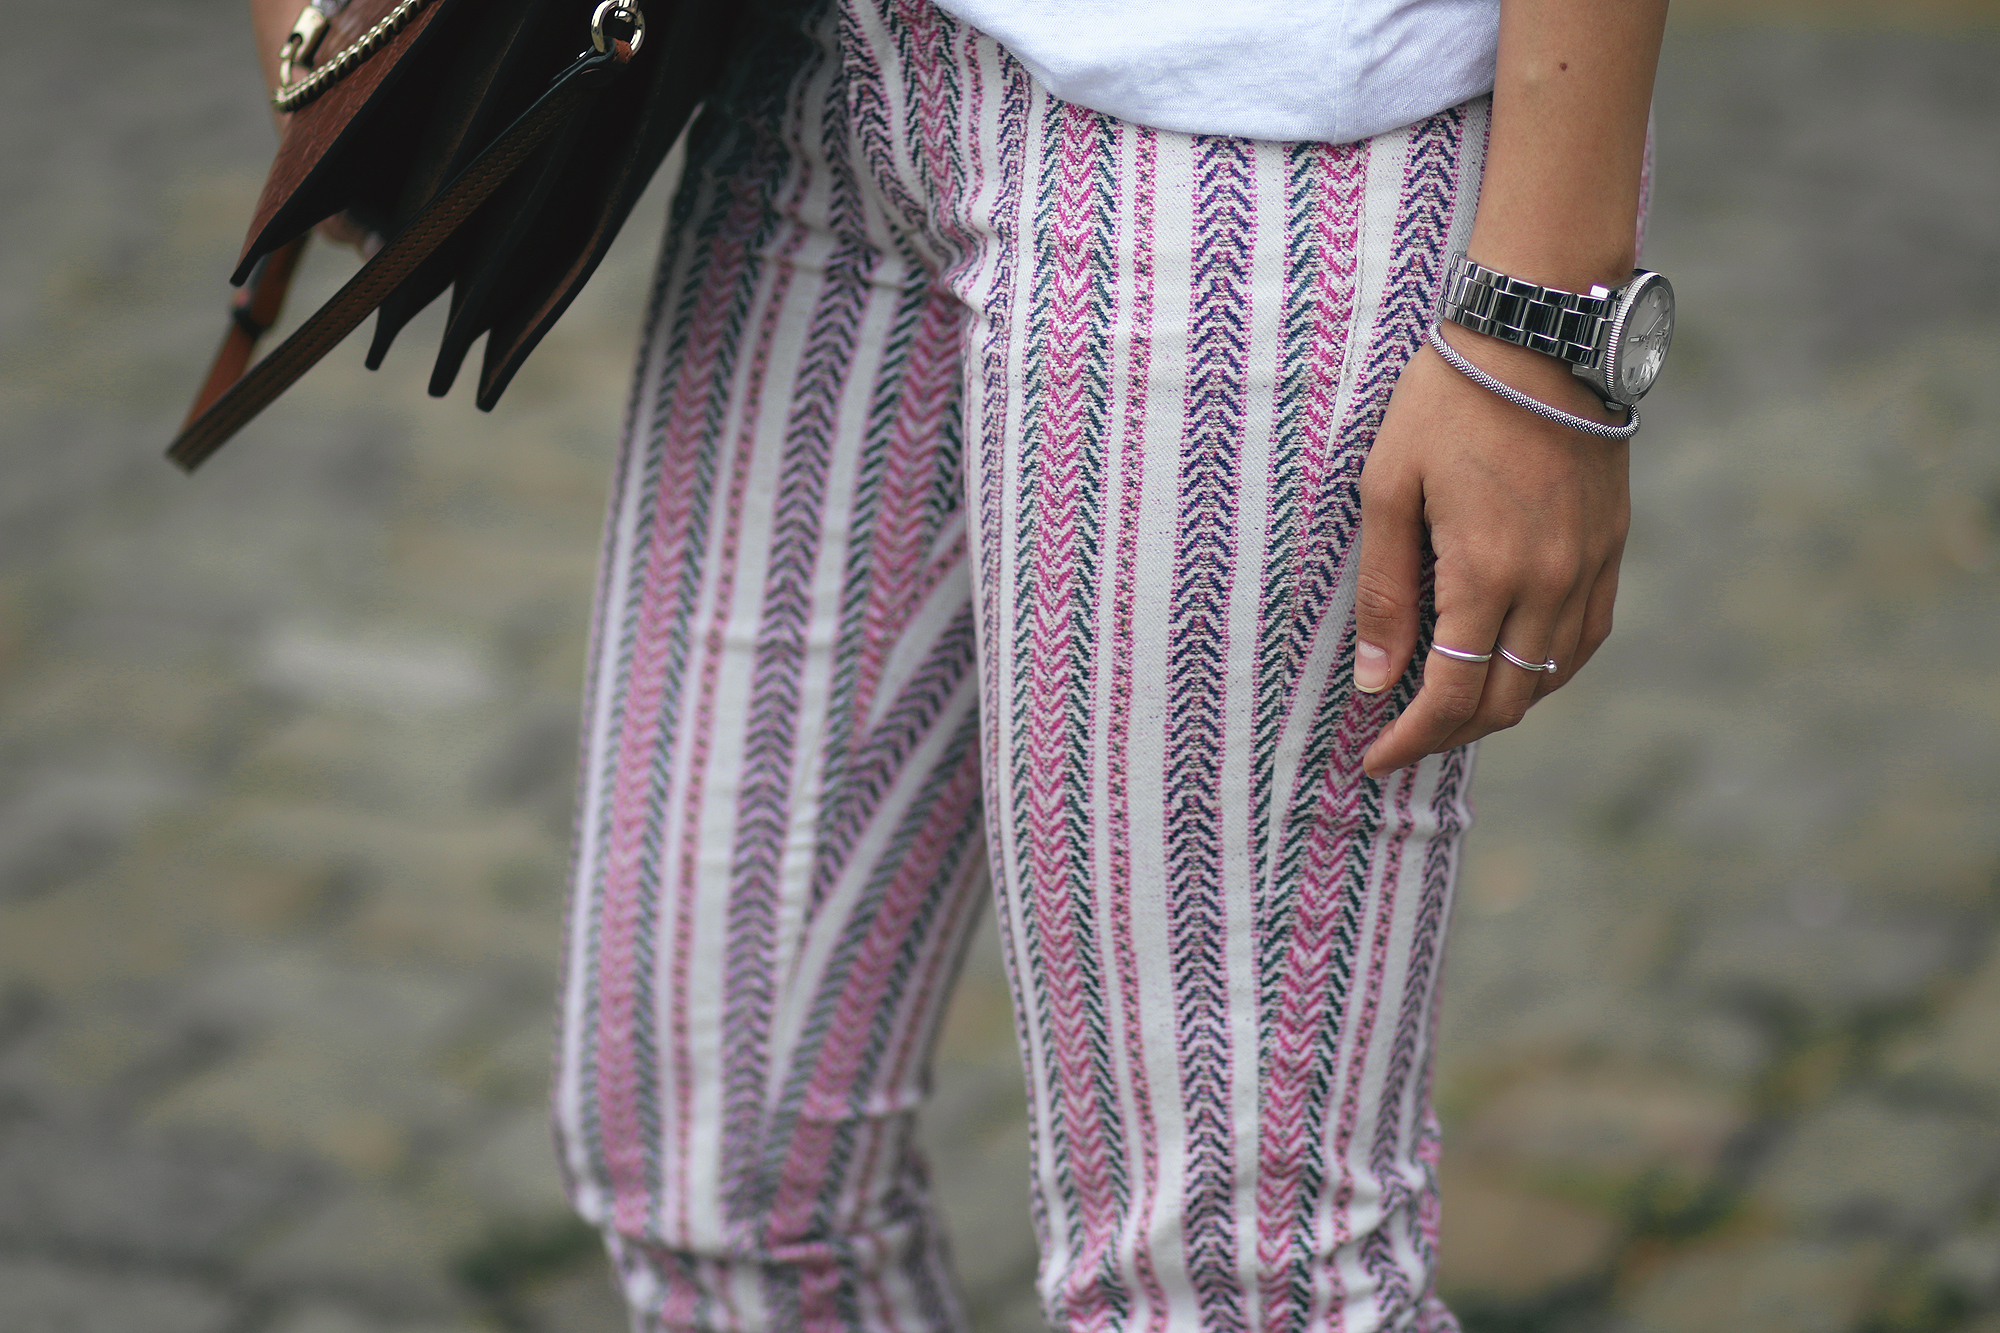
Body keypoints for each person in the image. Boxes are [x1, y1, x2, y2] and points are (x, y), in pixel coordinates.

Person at [249, 0, 1667, 1327]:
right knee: (717, 1190)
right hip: (812, 75)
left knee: (1237, 1279)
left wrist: (1546, 312)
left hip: (1251, 138)